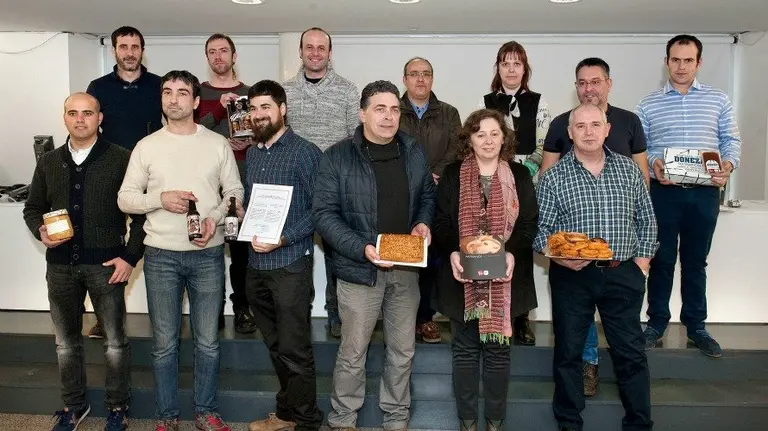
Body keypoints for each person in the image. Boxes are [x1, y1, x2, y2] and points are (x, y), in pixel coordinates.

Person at [118, 70, 243, 431]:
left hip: (208, 255)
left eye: (182, 92)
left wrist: (214, 219)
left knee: (207, 342)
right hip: (160, 257)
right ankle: (166, 416)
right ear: (161, 99)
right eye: (168, 92)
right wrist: (161, 199)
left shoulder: (216, 144)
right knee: (164, 345)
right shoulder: (147, 146)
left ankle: (205, 411)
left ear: (195, 100)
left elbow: (234, 192)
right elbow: (125, 198)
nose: (174, 99)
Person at [313, 80, 435, 431]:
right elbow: (323, 214)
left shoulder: (413, 150)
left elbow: (427, 195)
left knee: (403, 352)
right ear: (363, 113)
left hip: (405, 269)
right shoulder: (336, 156)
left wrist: (423, 224)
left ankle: (396, 419)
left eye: (395, 109)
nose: (388, 116)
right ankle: (342, 421)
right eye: (380, 109)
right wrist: (362, 249)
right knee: (353, 353)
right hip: (358, 271)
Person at [23, 92, 146, 431]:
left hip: (105, 267)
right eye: (73, 113)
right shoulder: (48, 162)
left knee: (115, 343)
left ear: (99, 118)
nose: (80, 119)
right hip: (60, 267)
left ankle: (117, 407)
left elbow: (139, 215)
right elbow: (32, 207)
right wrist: (40, 230)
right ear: (64, 118)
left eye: (87, 113)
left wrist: (130, 256)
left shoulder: (121, 159)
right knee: (66, 343)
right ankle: (73, 406)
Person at [534, 104, 657, 431]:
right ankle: (569, 424)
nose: (588, 131)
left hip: (623, 272)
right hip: (572, 276)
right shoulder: (554, 176)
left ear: (607, 129)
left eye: (595, 124)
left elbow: (647, 220)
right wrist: (558, 256)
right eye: (581, 126)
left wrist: (641, 263)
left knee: (630, 354)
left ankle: (639, 424)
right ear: (570, 133)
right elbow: (540, 231)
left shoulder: (630, 171)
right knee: (569, 354)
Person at [432, 109, 538, 431]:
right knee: (464, 353)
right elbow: (440, 222)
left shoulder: (519, 175)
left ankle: (494, 423)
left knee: (497, 354)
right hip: (459, 281)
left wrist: (511, 254)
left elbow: (528, 224)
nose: (488, 140)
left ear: (504, 138)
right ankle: (468, 423)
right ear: (469, 140)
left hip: (506, 279)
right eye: (480, 134)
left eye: (494, 133)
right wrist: (452, 252)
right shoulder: (452, 175)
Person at [636, 34, 741, 358]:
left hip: (704, 195)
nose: (681, 66)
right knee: (661, 260)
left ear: (699, 63)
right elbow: (643, 149)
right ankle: (656, 324)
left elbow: (731, 142)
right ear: (667, 61)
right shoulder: (648, 103)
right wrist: (653, 163)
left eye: (688, 60)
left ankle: (696, 326)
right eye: (676, 59)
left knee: (696, 262)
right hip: (663, 194)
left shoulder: (719, 100)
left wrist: (728, 164)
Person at [241, 80, 324, 431]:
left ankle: (307, 422)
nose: (259, 115)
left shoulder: (306, 152)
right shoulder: (253, 153)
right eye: (254, 108)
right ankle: (287, 412)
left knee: (294, 348)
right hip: (256, 266)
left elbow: (321, 209)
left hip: (290, 264)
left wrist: (283, 237)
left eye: (266, 108)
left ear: (282, 109)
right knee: (274, 346)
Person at [84, 25, 162, 339]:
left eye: (134, 46)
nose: (129, 52)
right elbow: (87, 128)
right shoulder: (98, 87)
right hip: (109, 175)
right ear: (114, 50)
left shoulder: (159, 85)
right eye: (123, 46)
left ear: (142, 50)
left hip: (150, 176)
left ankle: (165, 318)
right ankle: (108, 319)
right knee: (106, 246)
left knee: (151, 239)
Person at [283, 27, 360, 338]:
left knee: (336, 253)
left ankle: (337, 314)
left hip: (335, 187)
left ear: (330, 53)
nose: (315, 52)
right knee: (296, 253)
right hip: (295, 187)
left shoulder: (347, 90)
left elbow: (357, 140)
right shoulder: (283, 92)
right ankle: (299, 314)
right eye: (309, 47)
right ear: (300, 52)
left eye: (321, 48)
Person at [478, 41, 549, 346]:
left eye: (516, 63)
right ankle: (488, 313)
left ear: (525, 69)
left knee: (519, 249)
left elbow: (545, 146)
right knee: (490, 248)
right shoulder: (485, 102)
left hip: (526, 182)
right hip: (491, 184)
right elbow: (481, 140)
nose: (511, 69)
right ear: (498, 68)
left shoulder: (539, 102)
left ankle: (521, 320)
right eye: (505, 63)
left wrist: (524, 173)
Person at [398, 56, 462, 344]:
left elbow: (457, 150)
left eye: (425, 74)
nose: (420, 79)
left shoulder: (449, 113)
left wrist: (434, 173)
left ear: (432, 79)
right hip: (400, 196)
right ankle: (404, 319)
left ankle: (426, 319)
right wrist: (415, 177)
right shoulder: (392, 111)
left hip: (438, 197)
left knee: (432, 261)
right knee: (404, 260)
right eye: (414, 74)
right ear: (405, 79)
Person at [196, 33, 257, 334]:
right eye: (212, 52)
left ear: (234, 56)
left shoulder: (250, 93)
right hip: (207, 187)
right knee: (209, 251)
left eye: (224, 51)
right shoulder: (198, 93)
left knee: (241, 253)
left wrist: (248, 141)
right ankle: (212, 310)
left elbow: (266, 132)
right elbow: (192, 134)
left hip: (243, 185)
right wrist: (219, 109)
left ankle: (242, 308)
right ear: (207, 58)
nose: (218, 56)